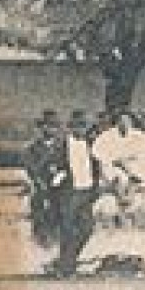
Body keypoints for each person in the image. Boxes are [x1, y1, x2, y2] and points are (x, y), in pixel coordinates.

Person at [48, 109, 100, 277]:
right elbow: (53, 165)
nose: (81, 130)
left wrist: (94, 188)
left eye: (84, 126)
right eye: (77, 126)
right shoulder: (62, 144)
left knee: (87, 229)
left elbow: (96, 167)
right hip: (69, 192)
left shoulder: (91, 144)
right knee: (68, 230)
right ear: (71, 127)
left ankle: (67, 262)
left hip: (86, 192)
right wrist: (57, 182)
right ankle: (66, 267)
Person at [24, 110, 64, 250]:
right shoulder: (31, 148)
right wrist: (40, 183)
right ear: (41, 128)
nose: (50, 129)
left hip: (59, 188)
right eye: (47, 126)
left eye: (53, 126)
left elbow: (65, 166)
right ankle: (40, 242)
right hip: (40, 187)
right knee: (38, 212)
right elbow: (31, 169)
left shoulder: (63, 147)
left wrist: (59, 178)